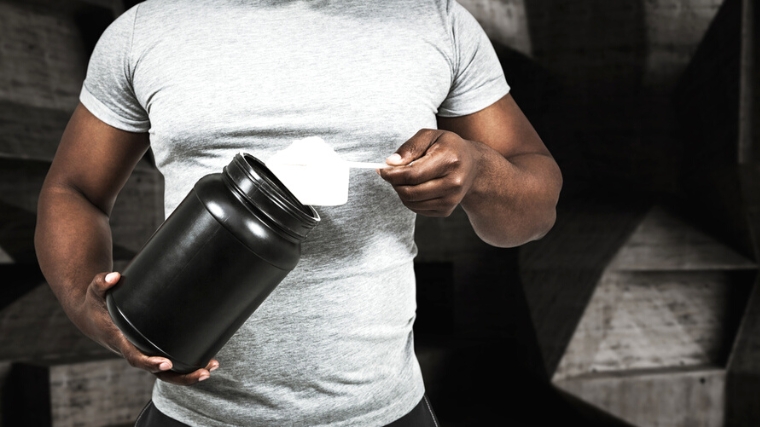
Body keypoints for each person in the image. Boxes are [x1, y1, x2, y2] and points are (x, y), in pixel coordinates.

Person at [34, 0, 562, 426]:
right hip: (193, 415)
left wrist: (477, 171)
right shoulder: (144, 29)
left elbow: (532, 214)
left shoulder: (436, 21)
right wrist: (88, 308)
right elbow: (72, 190)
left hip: (385, 414)